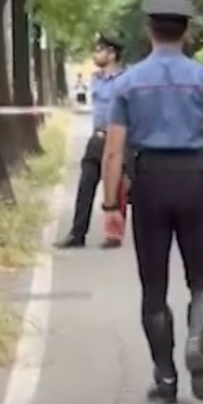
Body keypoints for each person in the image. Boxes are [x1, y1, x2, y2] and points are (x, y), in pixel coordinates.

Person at [101, 0, 203, 404]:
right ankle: (197, 337)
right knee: (202, 279)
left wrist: (112, 204)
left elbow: (114, 149)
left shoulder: (128, 83)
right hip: (194, 181)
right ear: (185, 33)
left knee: (154, 286)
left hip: (149, 183)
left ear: (149, 31)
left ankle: (165, 377)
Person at [55, 34, 129, 249]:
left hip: (116, 139)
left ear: (112, 54)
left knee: (116, 188)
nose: (95, 54)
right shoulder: (95, 78)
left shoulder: (125, 80)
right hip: (96, 138)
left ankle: (113, 234)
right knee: (85, 185)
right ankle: (77, 233)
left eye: (100, 50)